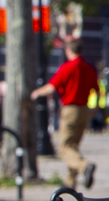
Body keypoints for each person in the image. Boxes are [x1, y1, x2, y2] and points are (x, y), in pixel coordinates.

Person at [31, 36, 99, 189]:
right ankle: (70, 180)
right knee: (73, 146)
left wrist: (36, 93)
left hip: (70, 110)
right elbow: (97, 90)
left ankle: (84, 167)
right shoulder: (88, 68)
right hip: (84, 110)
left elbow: (52, 86)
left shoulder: (68, 67)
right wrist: (95, 109)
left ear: (69, 51)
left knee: (64, 147)